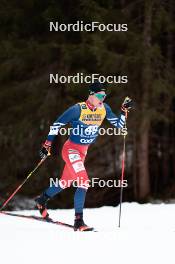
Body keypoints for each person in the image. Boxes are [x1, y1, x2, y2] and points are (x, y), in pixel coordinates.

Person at [35, 82, 132, 231]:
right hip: (71, 150)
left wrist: (124, 111)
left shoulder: (104, 109)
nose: (102, 99)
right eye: (99, 95)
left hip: (82, 152)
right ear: (91, 95)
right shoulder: (77, 109)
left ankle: (42, 199)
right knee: (83, 182)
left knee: (65, 182)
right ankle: (78, 221)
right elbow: (57, 124)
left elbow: (119, 125)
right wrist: (47, 145)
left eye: (104, 96)